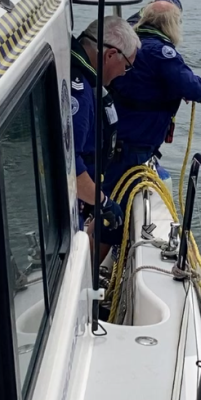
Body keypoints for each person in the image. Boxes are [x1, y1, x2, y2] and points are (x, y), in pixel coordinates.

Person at [108, 0, 201, 201]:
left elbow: (144, 83)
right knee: (118, 202)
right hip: (134, 145)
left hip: (118, 137)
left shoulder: (132, 44)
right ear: (171, 25)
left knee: (111, 194)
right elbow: (197, 89)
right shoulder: (161, 52)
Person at [71, 16, 140, 263]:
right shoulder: (78, 92)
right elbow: (69, 164)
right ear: (111, 55)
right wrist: (103, 203)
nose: (124, 73)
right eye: (127, 65)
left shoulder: (83, 78)